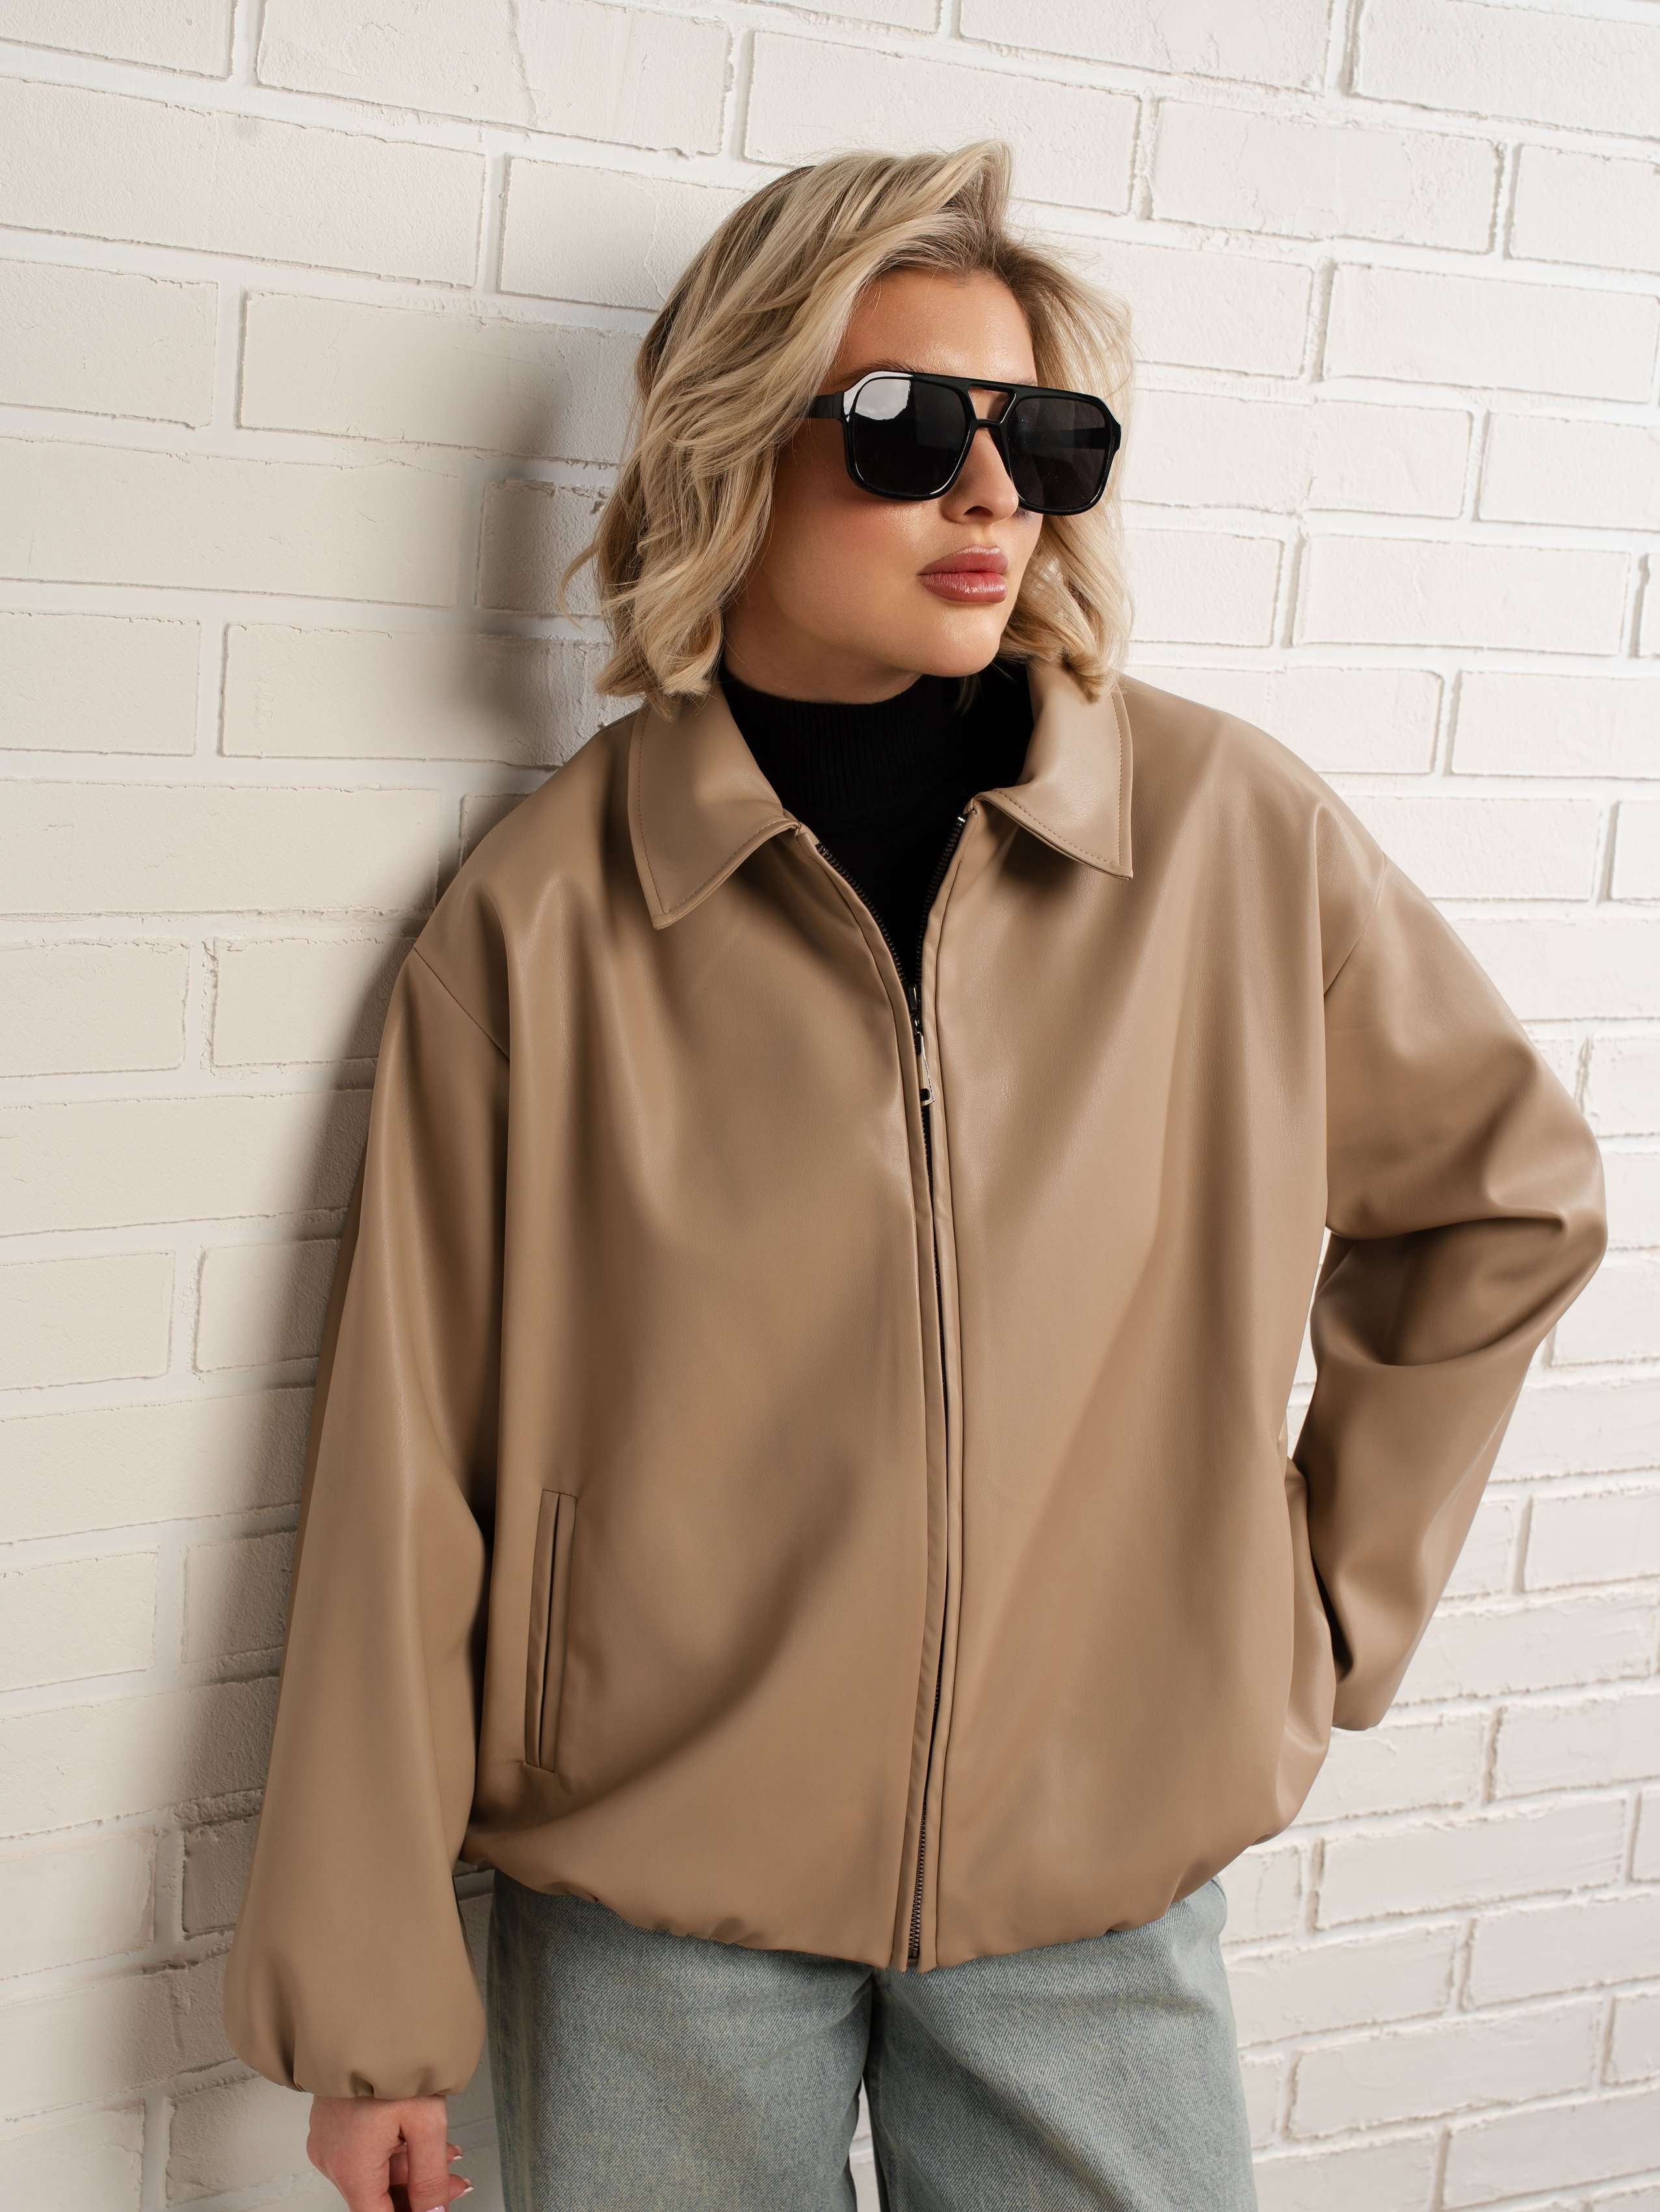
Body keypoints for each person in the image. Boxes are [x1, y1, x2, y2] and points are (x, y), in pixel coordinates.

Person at [220, 140, 1609, 2212]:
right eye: (904, 427)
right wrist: (370, 2015)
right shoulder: (552, 915)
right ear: (733, 440)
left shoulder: (1225, 841)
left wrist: (1306, 1612)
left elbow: (1504, 1200)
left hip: (1093, 1882)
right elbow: (408, 1463)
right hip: (654, 1908)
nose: (989, 494)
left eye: (1041, 438)